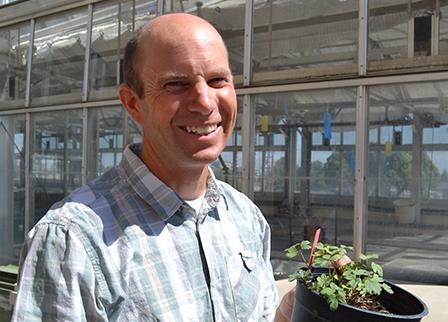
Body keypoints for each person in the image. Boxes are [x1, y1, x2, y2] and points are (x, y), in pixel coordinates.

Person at [11, 13, 280, 321]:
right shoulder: (72, 242)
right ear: (133, 103)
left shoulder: (246, 218)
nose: (205, 102)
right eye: (176, 84)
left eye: (218, 80)